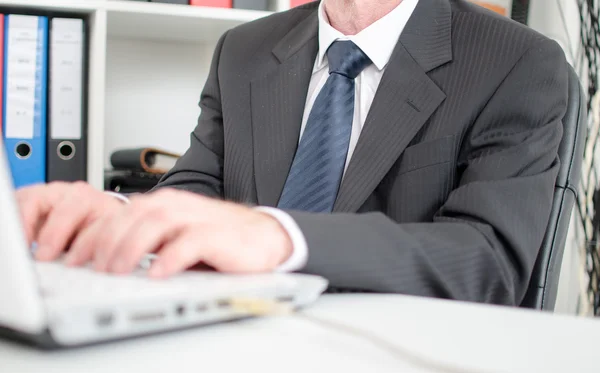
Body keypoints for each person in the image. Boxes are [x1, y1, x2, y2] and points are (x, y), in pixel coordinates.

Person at [17, 0, 568, 305]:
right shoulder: (244, 49)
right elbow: (198, 187)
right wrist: (118, 216)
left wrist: (280, 235)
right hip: (236, 336)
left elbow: (489, 261)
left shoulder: (518, 62)